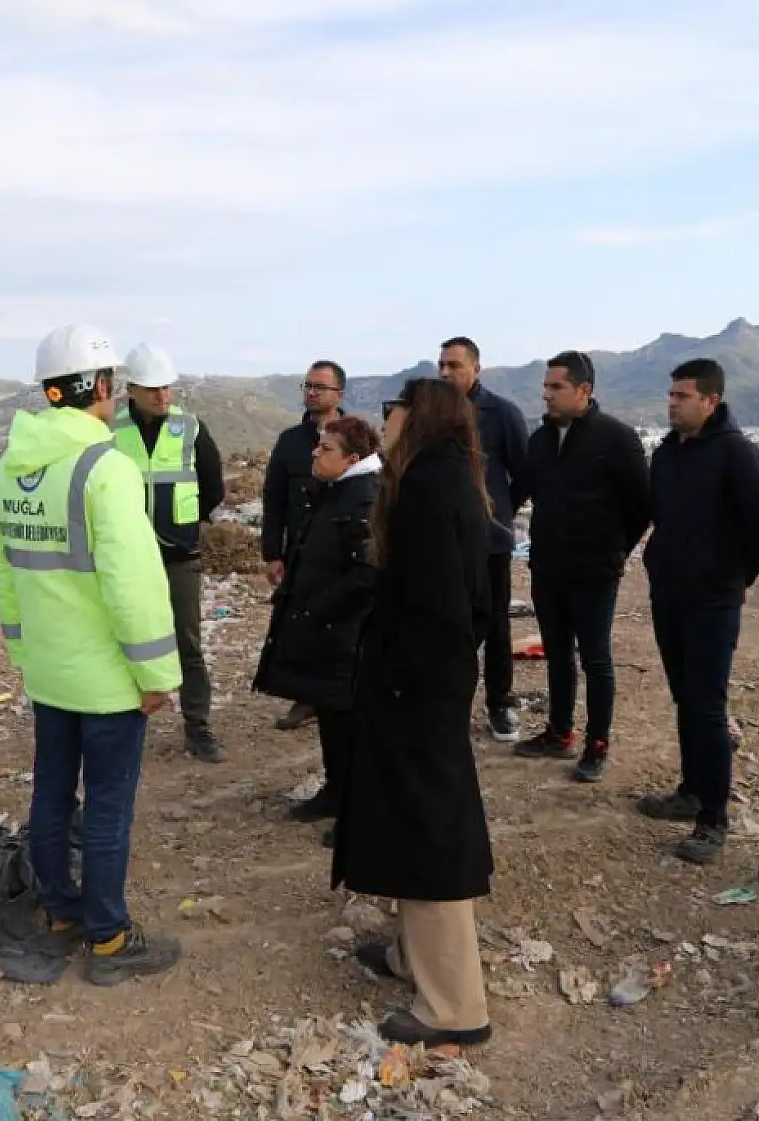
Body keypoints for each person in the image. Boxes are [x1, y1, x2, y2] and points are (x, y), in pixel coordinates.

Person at [0, 323, 184, 985]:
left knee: (49, 794)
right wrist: (156, 673)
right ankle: (108, 937)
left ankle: (61, 912)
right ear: (100, 387)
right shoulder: (106, 468)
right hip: (105, 680)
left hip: (49, 670)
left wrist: (22, 648)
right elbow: (133, 583)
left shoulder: (12, 466)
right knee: (105, 807)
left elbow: (5, 572)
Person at [333, 377, 495, 1048]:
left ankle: (455, 1005)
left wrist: (400, 680)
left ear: (418, 414)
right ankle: (411, 956)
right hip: (427, 680)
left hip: (419, 686)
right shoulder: (444, 474)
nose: (385, 420)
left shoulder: (429, 487)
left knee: (431, 827)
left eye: (392, 408)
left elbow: (434, 604)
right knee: (408, 816)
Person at [638, 358, 759, 864]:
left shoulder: (737, 455)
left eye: (683, 396)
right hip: (670, 594)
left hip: (712, 599)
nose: (672, 403)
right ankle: (691, 790)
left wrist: (733, 576)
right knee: (685, 696)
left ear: (710, 401)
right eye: (671, 394)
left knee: (706, 705)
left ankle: (714, 817)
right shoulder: (668, 454)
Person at [513, 351, 650, 782]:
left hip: (594, 572)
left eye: (556, 387)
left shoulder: (616, 439)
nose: (546, 395)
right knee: (557, 655)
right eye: (546, 386)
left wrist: (614, 553)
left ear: (584, 391)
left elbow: (640, 508)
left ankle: (598, 741)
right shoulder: (540, 441)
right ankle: (559, 731)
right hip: (548, 568)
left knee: (596, 659)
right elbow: (521, 493)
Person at [253, 415, 383, 847]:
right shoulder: (334, 492)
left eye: (326, 449)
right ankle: (334, 791)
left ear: (352, 459)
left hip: (345, 631)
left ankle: (355, 805)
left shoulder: (363, 499)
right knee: (328, 710)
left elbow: (367, 572)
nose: (315, 452)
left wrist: (319, 607)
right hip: (324, 627)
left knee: (347, 719)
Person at [112, 343, 227, 762]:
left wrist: (186, 524)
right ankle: (121, 724)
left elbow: (212, 486)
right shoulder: (111, 428)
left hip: (178, 555)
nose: (163, 397)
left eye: (167, 388)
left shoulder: (191, 427)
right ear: (132, 389)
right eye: (152, 389)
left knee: (187, 641)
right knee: (122, 638)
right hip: (125, 555)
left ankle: (198, 726)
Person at [435, 337, 530, 742]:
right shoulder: (432, 413)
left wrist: (496, 511)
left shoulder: (502, 413)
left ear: (476, 368)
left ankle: (499, 704)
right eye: (441, 365)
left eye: (454, 365)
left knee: (494, 624)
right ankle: (445, 702)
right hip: (443, 541)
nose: (446, 372)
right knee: (447, 622)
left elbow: (523, 472)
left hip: (490, 540)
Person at [261, 360, 349, 732]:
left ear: (338, 395)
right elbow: (274, 499)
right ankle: (306, 697)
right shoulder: (290, 441)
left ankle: (341, 692)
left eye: (320, 387)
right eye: (308, 385)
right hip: (299, 550)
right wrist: (273, 553)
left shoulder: (355, 437)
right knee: (300, 624)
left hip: (342, 551)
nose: (312, 392)